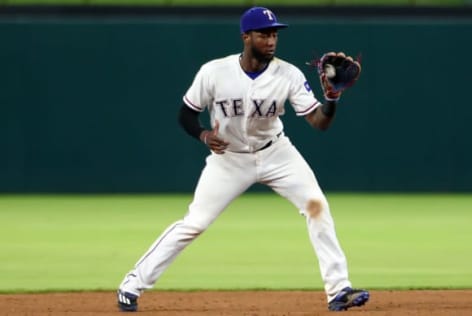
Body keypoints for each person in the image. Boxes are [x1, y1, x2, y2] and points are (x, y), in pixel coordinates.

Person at [117, 6, 369, 312]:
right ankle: (132, 284)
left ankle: (338, 289)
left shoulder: (288, 73)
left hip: (276, 153)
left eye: (274, 34)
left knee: (317, 206)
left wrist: (331, 98)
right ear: (245, 36)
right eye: (264, 34)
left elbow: (319, 122)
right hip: (229, 160)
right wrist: (203, 135)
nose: (271, 40)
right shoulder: (214, 72)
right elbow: (186, 113)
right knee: (194, 223)